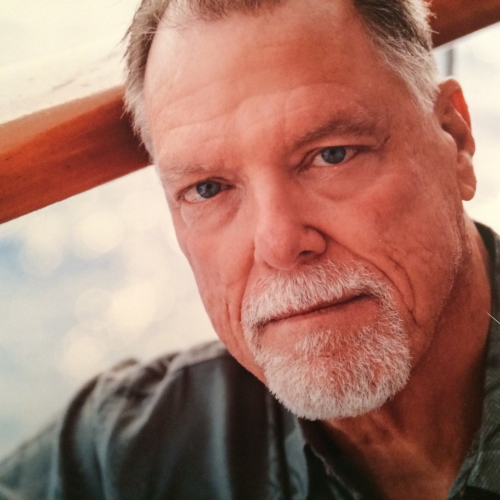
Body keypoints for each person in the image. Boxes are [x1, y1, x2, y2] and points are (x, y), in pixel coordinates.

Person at [1, 0, 499, 498]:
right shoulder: (119, 458)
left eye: (332, 155)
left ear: (455, 140)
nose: (278, 244)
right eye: (208, 189)